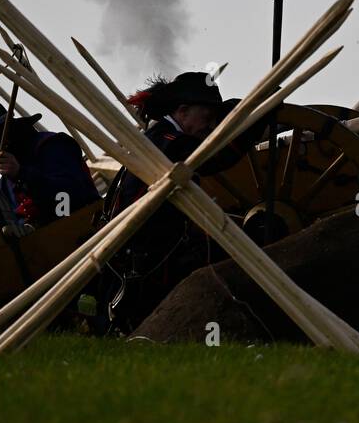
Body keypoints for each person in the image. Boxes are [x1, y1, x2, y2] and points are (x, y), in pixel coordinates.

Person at [98, 71, 251, 330]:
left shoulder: (157, 138)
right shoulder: (171, 142)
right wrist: (255, 117)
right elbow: (217, 158)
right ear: (183, 111)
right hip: (151, 255)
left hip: (139, 252)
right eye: (207, 117)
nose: (210, 126)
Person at [0, 96, 99, 227]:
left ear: (5, 136)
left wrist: (22, 174)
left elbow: (69, 200)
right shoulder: (4, 184)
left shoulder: (52, 146)